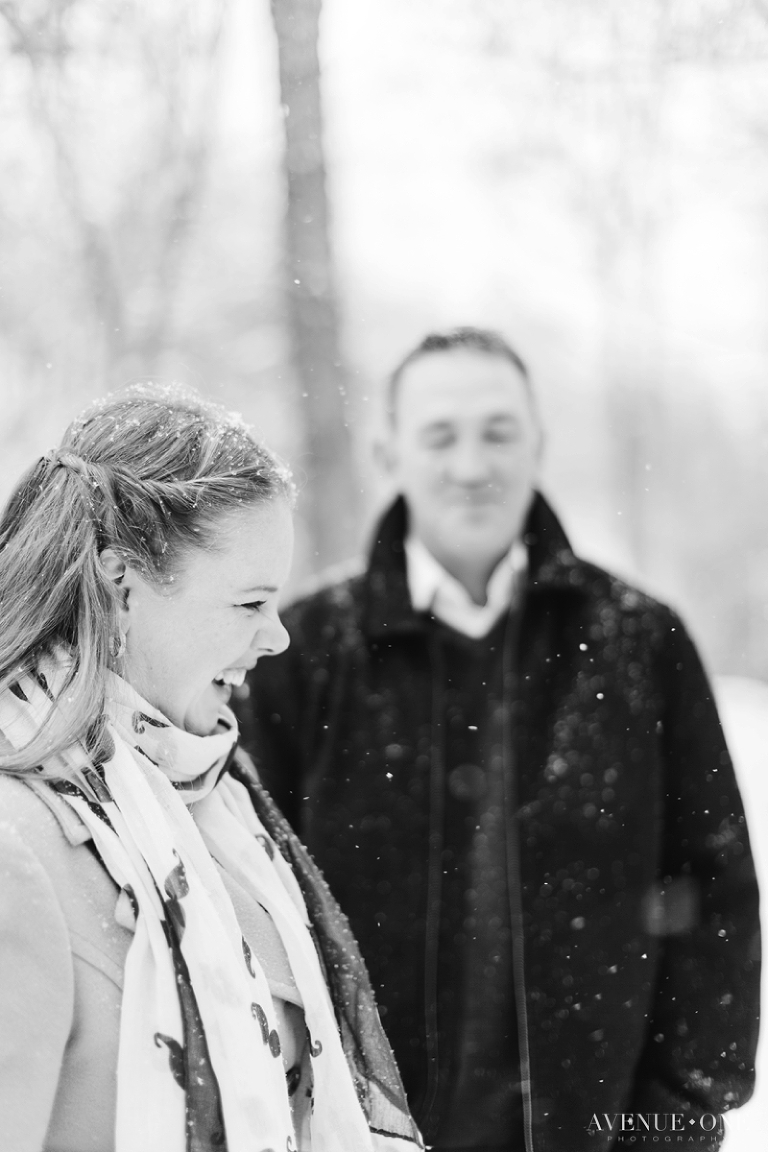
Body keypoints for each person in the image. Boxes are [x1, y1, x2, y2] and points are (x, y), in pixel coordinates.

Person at [237, 328, 761, 1152]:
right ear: (388, 451)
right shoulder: (298, 655)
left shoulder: (641, 642)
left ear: (538, 443)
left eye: (499, 431)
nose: (472, 465)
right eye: (441, 435)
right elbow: (248, 912)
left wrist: (676, 1121)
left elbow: (714, 890)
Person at [0, 384, 423, 1152]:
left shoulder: (218, 807)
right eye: (249, 604)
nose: (279, 638)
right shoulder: (15, 850)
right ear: (119, 584)